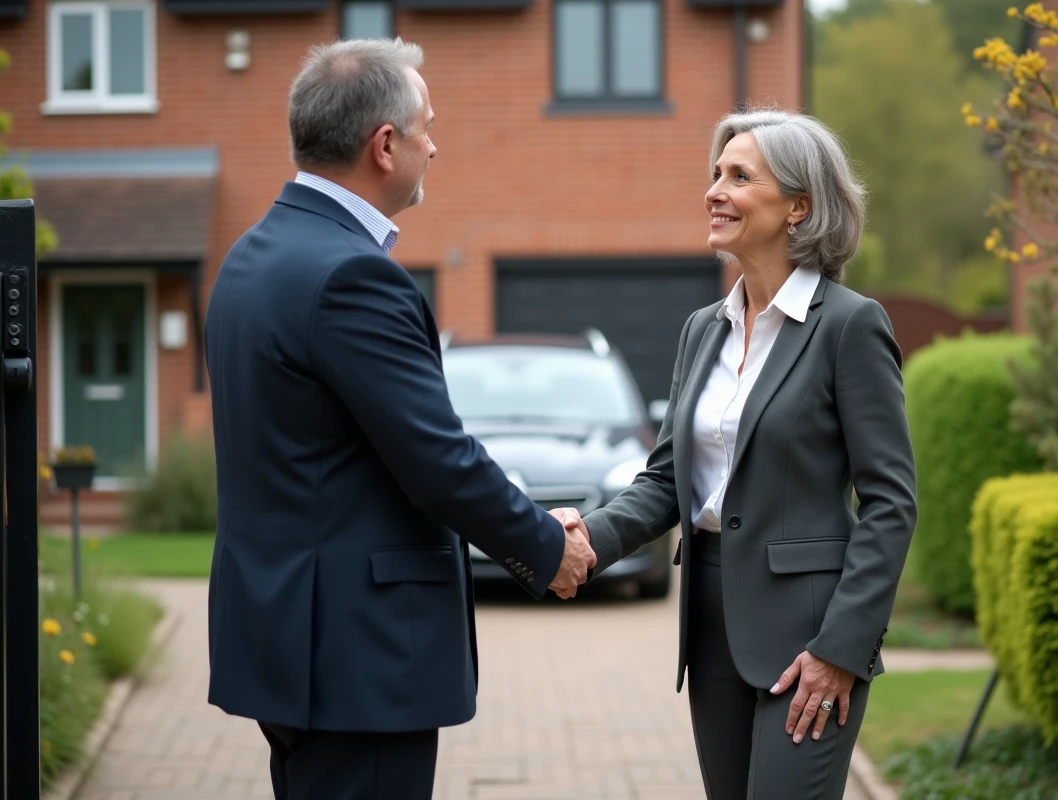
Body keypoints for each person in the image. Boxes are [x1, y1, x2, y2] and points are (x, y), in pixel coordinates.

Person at [203, 38, 595, 800]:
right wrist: (548, 547)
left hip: (285, 636)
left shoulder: (250, 258)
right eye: (427, 127)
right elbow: (438, 459)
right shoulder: (352, 276)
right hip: (358, 655)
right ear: (384, 145)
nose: (435, 145)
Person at [555, 109, 917, 799]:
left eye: (739, 176)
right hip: (712, 626)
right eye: (715, 174)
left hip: (811, 635)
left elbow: (891, 504)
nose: (714, 191)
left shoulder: (849, 326)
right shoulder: (703, 330)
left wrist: (841, 649)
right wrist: (584, 540)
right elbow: (666, 481)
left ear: (798, 207)